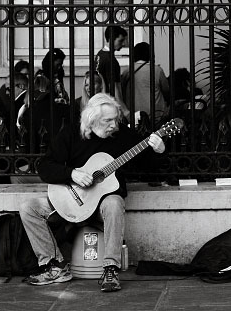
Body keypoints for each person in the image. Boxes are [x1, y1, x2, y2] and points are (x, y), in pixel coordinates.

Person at [18, 93, 166, 291]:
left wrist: (159, 150)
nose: (114, 125)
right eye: (108, 121)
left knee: (114, 202)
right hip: (72, 201)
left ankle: (110, 269)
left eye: (116, 119)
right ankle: (55, 266)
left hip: (102, 208)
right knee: (29, 208)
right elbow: (44, 166)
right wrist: (72, 174)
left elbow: (149, 167)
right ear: (92, 120)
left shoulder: (123, 135)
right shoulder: (71, 134)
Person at [121, 42, 170, 128]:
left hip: (134, 117)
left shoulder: (127, 71)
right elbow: (166, 90)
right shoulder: (157, 70)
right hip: (155, 116)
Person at [96, 26, 128, 98]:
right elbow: (114, 88)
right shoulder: (110, 60)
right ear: (111, 39)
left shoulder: (100, 54)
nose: (123, 44)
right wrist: (123, 108)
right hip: (108, 100)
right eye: (120, 41)